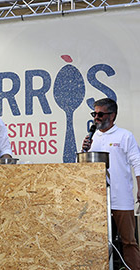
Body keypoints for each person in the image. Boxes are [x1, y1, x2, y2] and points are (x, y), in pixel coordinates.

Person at [82, 98, 140, 270]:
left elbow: (137, 162)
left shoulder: (124, 135)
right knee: (98, 242)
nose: (96, 118)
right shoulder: (92, 138)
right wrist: (84, 149)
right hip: (98, 200)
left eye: (100, 114)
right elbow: (85, 169)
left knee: (128, 241)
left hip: (121, 198)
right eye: (94, 114)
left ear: (112, 115)